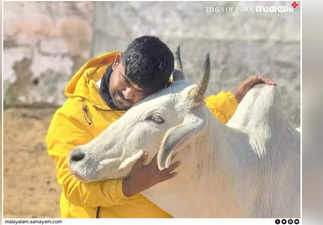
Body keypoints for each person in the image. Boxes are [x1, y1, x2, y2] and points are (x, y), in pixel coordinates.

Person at [46, 35, 276, 218]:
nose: (128, 94)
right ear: (117, 62)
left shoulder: (157, 100)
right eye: (126, 81)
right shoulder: (71, 116)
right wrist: (129, 186)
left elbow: (185, 116)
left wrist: (234, 98)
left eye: (140, 91)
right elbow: (73, 187)